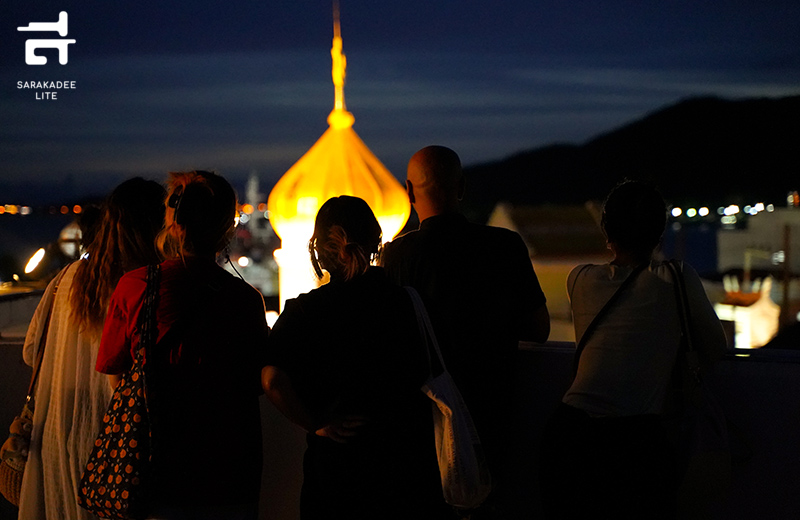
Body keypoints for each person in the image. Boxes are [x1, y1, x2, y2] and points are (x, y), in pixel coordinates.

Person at [539, 180, 728, 519]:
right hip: (635, 442)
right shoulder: (677, 278)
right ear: (659, 232)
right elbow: (715, 346)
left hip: (569, 434)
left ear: (606, 230)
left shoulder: (580, 279)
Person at [381, 145, 550, 517]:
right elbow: (539, 329)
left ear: (409, 192)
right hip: (495, 414)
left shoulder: (396, 258)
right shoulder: (504, 246)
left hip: (423, 424)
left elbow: (386, 344)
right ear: (462, 187)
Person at [95, 171, 270, 520]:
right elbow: (256, 382)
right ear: (226, 229)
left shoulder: (135, 287)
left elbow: (117, 377)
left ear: (172, 223)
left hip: (156, 473)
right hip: (231, 474)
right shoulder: (246, 300)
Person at [262, 195, 449, 520]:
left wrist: (314, 424)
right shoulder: (408, 303)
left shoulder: (304, 311)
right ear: (376, 242)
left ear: (319, 250)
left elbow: (271, 378)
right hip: (404, 463)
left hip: (337, 469)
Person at [15, 178, 165, 520]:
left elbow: (30, 352)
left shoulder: (63, 279)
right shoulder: (146, 284)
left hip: (55, 429)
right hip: (119, 440)